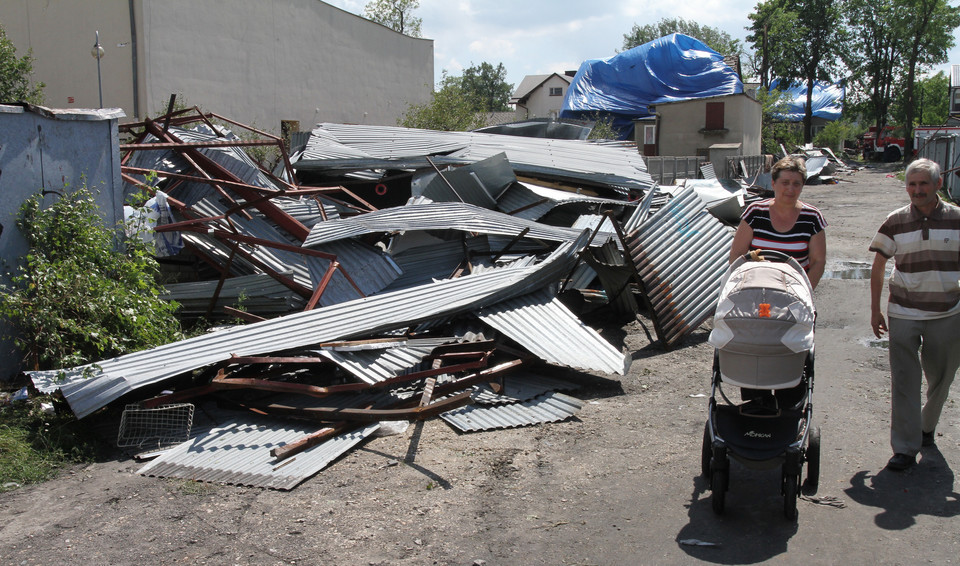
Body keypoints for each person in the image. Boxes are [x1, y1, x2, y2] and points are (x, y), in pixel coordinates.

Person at [869, 157, 960, 471]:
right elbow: (879, 265)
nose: (917, 190)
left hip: (947, 312)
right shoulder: (895, 221)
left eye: (923, 184)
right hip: (904, 311)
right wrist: (875, 309)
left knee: (941, 378)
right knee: (905, 381)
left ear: (937, 185)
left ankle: (926, 427)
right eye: (912, 184)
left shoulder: (957, 219)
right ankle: (905, 448)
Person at [730, 155, 828, 289]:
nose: (790, 189)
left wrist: (804, 292)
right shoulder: (755, 213)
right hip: (755, 290)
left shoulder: (812, 217)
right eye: (785, 183)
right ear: (773, 183)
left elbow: (818, 262)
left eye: (796, 184)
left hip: (795, 293)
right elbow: (737, 256)